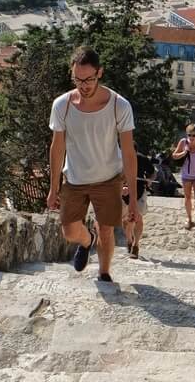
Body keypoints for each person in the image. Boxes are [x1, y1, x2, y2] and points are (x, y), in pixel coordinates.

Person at [48, 46, 138, 283]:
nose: (83, 85)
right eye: (78, 79)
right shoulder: (62, 105)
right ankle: (87, 240)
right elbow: (57, 148)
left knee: (106, 228)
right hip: (75, 178)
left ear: (100, 73)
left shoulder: (120, 106)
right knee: (69, 232)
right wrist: (53, 188)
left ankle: (104, 274)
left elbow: (128, 153)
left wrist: (134, 198)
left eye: (88, 79)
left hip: (108, 178)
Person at [122, 144, 155, 259]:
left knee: (138, 218)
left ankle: (135, 245)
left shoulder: (142, 158)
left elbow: (152, 172)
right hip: (123, 195)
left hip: (139, 192)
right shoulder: (117, 159)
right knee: (126, 221)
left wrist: (149, 180)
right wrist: (121, 187)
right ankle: (129, 240)